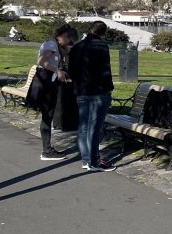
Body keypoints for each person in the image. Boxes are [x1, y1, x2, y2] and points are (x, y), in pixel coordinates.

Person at [68, 21, 116, 171]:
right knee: (94, 127)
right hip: (98, 91)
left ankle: (86, 159)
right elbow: (104, 70)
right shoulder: (101, 47)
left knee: (83, 126)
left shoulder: (77, 47)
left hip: (82, 90)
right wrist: (108, 88)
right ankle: (94, 160)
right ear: (103, 33)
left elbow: (72, 70)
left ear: (90, 30)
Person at [35, 24, 80, 160]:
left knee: (47, 116)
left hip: (47, 83)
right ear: (61, 36)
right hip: (46, 83)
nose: (68, 42)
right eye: (68, 39)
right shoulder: (51, 45)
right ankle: (47, 150)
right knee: (47, 116)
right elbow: (41, 61)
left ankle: (47, 149)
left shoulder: (55, 46)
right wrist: (57, 70)